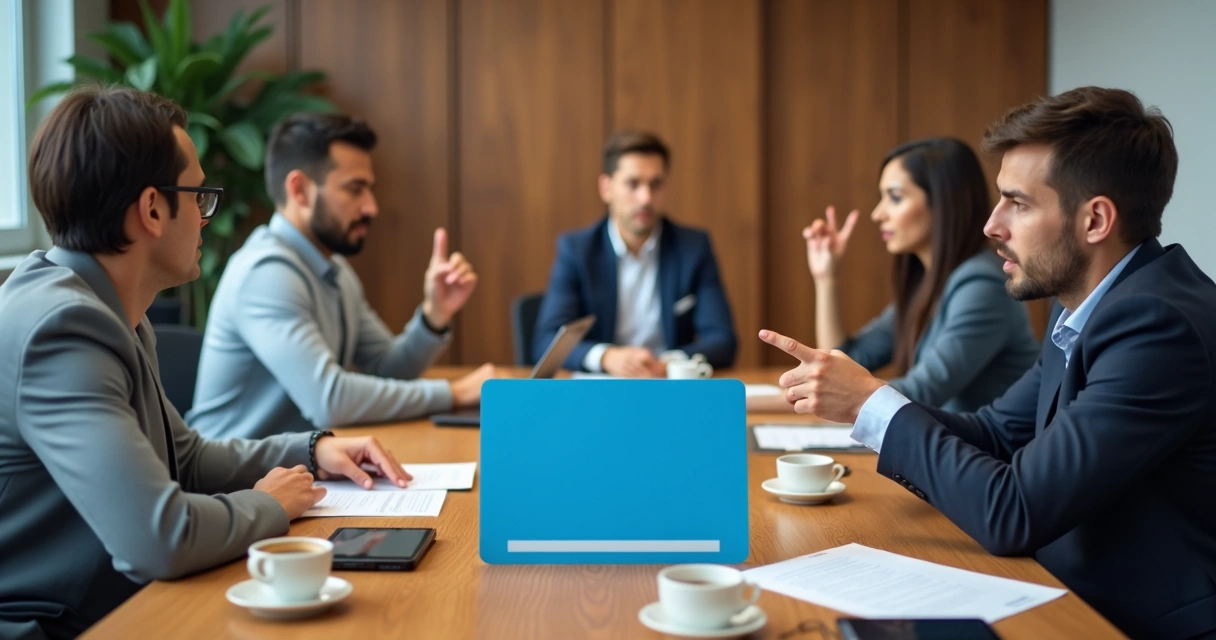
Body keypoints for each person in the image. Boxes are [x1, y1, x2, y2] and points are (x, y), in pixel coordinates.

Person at [760, 87, 1216, 640]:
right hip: (1064, 593)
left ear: (1095, 220)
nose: (991, 225)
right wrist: (867, 408)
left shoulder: (1155, 326)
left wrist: (872, 404)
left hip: (1126, 622)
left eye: (1018, 203)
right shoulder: (1085, 303)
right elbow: (996, 433)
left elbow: (1015, 511)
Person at [0, 86, 412, 640]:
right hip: (52, 624)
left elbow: (184, 458)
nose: (203, 218)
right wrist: (266, 505)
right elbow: (158, 538)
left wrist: (312, 450)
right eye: (198, 197)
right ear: (151, 210)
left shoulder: (109, 306)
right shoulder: (63, 328)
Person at [187, 113, 495, 439]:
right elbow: (330, 400)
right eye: (355, 189)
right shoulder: (265, 273)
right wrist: (454, 393)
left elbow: (389, 368)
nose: (371, 207)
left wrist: (435, 315)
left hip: (297, 469)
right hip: (234, 484)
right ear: (300, 190)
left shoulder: (333, 269)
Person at [804, 137, 1038, 411]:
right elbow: (847, 358)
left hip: (991, 452)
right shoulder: (928, 282)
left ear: (942, 202)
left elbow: (919, 393)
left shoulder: (982, 285)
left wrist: (776, 400)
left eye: (895, 197)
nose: (878, 214)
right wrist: (826, 278)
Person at [532, 130, 737, 377]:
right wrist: (606, 356)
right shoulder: (577, 250)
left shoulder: (693, 248)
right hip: (603, 389)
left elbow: (723, 340)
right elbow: (546, 342)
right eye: (633, 184)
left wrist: (668, 363)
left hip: (667, 387)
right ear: (606, 188)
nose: (646, 198)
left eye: (656, 184)